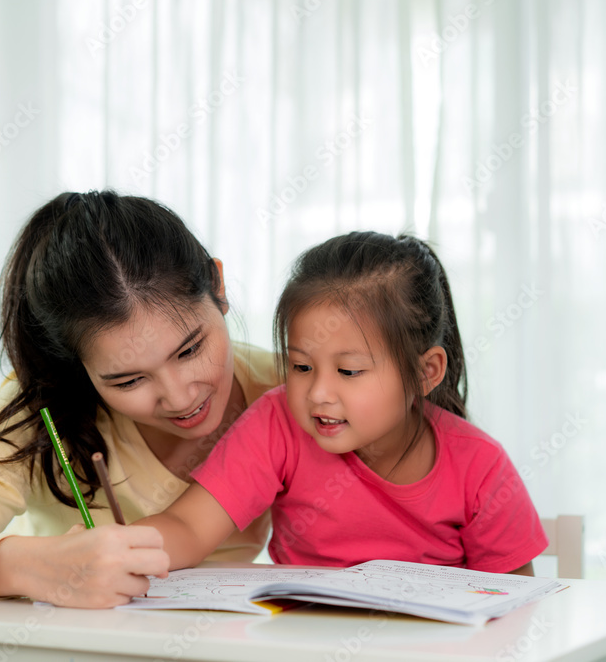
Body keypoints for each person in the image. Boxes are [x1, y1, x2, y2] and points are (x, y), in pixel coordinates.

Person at [0, 190, 280, 608]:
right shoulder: (41, 408)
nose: (179, 397)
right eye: (129, 380)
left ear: (218, 286)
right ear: (77, 366)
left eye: (189, 351)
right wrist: (30, 566)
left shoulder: (294, 392)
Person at [136, 231, 547, 575]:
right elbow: (188, 527)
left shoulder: (480, 465)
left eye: (349, 372)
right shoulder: (276, 423)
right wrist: (124, 553)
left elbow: (514, 602)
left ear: (426, 372)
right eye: (300, 366)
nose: (318, 394)